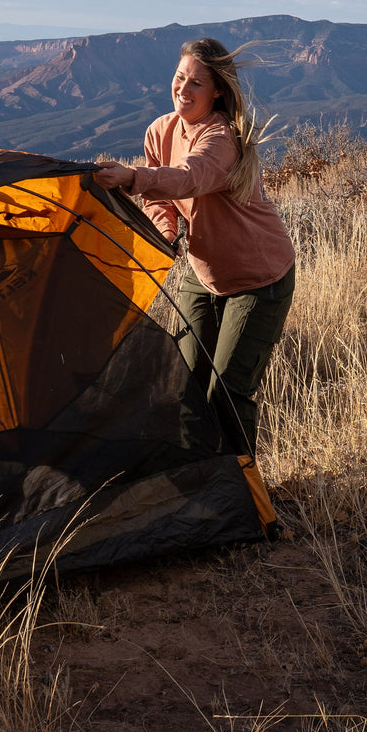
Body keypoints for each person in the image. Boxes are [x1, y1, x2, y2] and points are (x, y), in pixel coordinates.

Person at [94, 37, 294, 457]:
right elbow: (160, 199)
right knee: (182, 386)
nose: (183, 90)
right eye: (180, 78)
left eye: (196, 84)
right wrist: (165, 233)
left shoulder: (221, 138)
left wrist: (131, 178)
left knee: (226, 395)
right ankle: (202, 489)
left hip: (258, 279)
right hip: (203, 275)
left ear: (217, 90)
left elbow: (188, 177)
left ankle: (245, 503)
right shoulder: (160, 131)